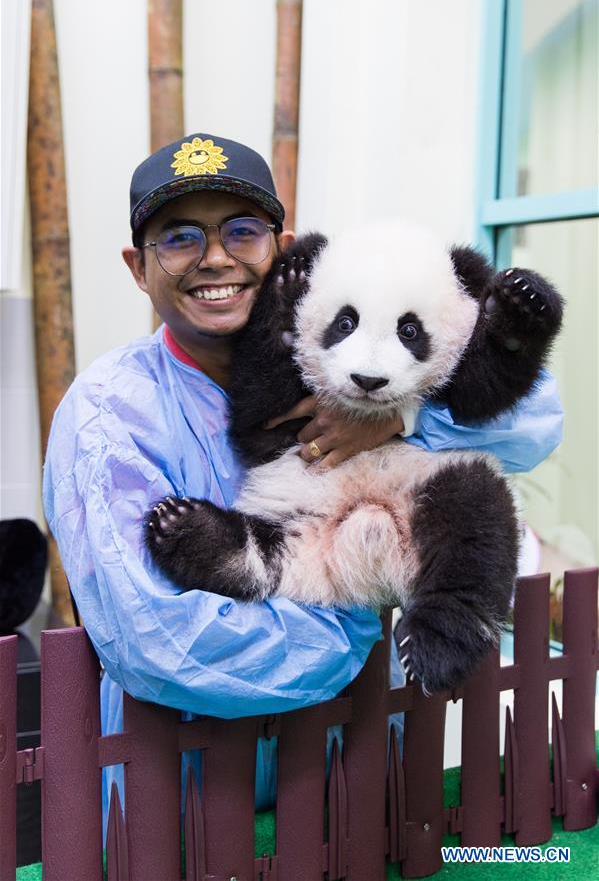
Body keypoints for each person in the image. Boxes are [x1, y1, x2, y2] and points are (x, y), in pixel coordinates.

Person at [43, 133, 563, 813]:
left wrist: (401, 419)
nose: (215, 258)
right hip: (183, 791)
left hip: (356, 770)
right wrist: (354, 609)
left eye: (241, 231)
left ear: (282, 248)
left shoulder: (352, 351)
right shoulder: (108, 410)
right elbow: (158, 640)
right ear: (138, 267)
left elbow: (535, 419)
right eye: (178, 238)